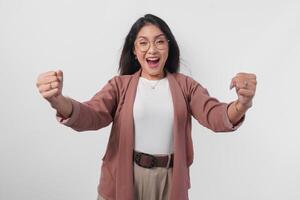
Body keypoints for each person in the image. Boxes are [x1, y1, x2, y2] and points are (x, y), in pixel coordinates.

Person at [36, 14, 257, 200]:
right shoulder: (119, 86)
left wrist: (242, 104)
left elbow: (215, 115)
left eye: (160, 41)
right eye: (143, 43)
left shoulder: (185, 86)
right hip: (124, 176)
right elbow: (91, 114)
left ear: (168, 46)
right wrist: (58, 100)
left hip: (170, 180)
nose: (152, 49)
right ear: (134, 50)